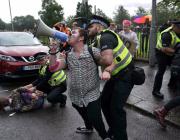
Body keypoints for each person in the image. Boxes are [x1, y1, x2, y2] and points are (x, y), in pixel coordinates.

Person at [49, 27, 110, 140]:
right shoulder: (68, 55)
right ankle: (88, 127)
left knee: (95, 117)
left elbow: (107, 61)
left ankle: (104, 136)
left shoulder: (93, 51)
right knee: (82, 112)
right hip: (75, 95)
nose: (69, 34)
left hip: (92, 94)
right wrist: (53, 50)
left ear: (81, 38)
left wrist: (106, 70)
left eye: (73, 32)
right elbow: (53, 68)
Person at [88, 15, 135, 140]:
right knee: (104, 102)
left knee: (116, 109)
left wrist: (97, 59)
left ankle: (120, 137)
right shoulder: (98, 39)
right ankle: (114, 129)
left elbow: (107, 60)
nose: (88, 29)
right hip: (116, 75)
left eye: (91, 26)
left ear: (98, 27)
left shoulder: (105, 37)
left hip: (126, 75)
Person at [24, 39, 67, 107]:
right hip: (52, 84)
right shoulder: (42, 67)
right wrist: (29, 85)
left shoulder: (50, 65)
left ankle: (63, 98)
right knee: (40, 87)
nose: (40, 62)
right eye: (39, 61)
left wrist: (34, 88)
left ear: (47, 58)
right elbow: (39, 79)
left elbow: (45, 79)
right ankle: (54, 95)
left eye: (42, 59)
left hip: (60, 84)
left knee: (50, 98)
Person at [152, 20, 180, 99]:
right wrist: (177, 52)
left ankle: (172, 84)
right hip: (161, 52)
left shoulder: (177, 31)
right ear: (174, 26)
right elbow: (165, 49)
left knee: (176, 67)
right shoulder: (167, 34)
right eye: (179, 28)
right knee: (161, 71)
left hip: (172, 52)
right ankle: (155, 91)